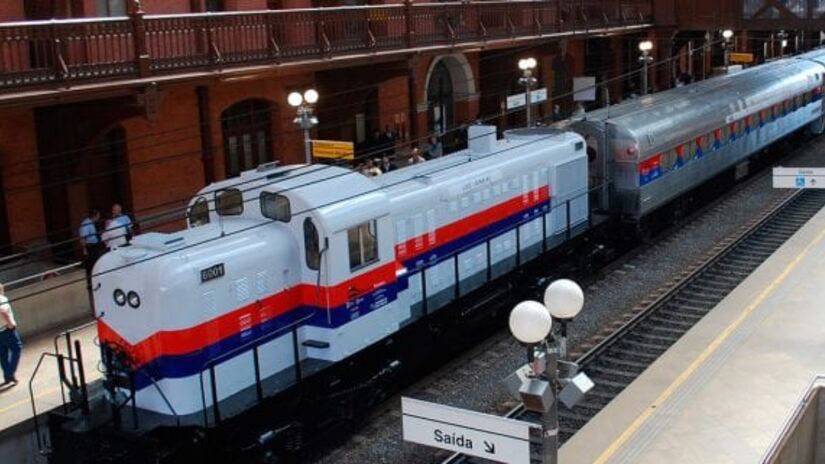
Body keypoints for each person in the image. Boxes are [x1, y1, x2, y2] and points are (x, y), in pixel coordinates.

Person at [0, 283, 21, 387]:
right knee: (17, 349)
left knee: (3, 354)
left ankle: (8, 377)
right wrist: (11, 324)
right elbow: (3, 311)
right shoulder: (2, 299)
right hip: (6, 330)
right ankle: (9, 373)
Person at [78, 209, 102, 274]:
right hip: (90, 246)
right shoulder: (86, 224)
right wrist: (84, 249)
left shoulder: (91, 223)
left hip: (94, 245)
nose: (99, 217)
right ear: (95, 216)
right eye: (98, 215)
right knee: (91, 263)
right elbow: (83, 238)